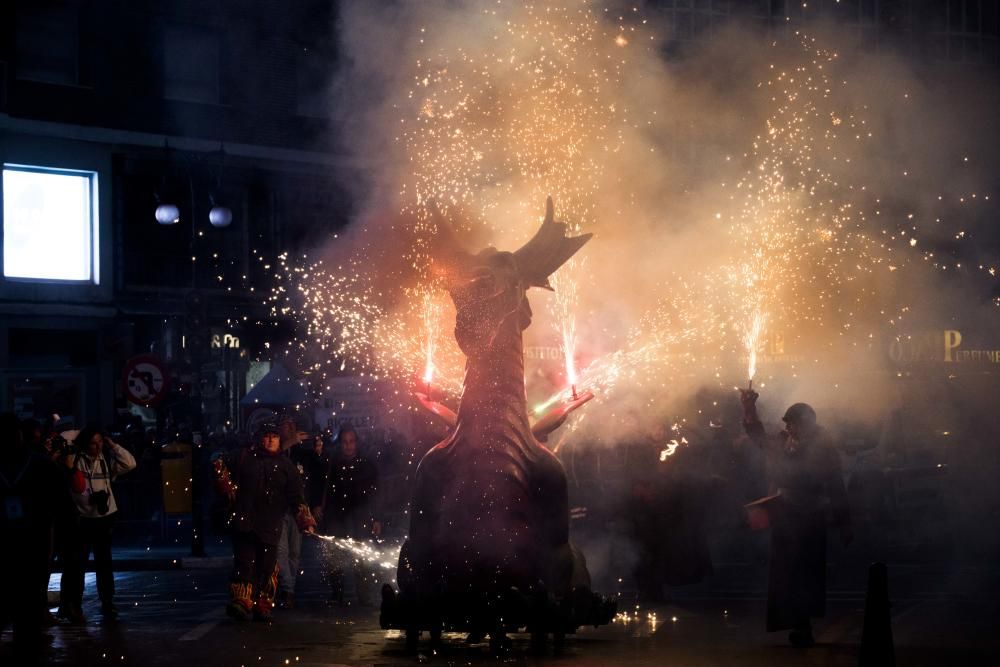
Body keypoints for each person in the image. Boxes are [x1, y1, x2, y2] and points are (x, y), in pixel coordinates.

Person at [739, 388, 852, 647]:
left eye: (793, 423)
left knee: (805, 573)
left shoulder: (823, 448)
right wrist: (748, 408)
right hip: (786, 516)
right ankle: (794, 621)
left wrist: (844, 522)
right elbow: (758, 437)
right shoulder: (783, 441)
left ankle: (803, 624)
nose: (789, 427)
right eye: (787, 423)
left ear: (807, 424)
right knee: (786, 573)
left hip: (810, 516)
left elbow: (835, 485)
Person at [214, 423, 315, 622]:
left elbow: (297, 496)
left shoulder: (286, 466)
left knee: (267, 566)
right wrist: (226, 487)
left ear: (279, 440)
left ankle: (263, 604)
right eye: (267, 436)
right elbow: (219, 463)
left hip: (271, 524)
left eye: (274, 437)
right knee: (245, 562)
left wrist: (305, 521)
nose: (270, 440)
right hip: (245, 521)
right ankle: (242, 602)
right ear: (260, 438)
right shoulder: (244, 457)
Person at [0, 413, 69, 662]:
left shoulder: (40, 465)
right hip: (25, 545)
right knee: (24, 611)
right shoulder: (41, 465)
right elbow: (63, 504)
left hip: (30, 544)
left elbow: (62, 503)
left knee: (26, 612)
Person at [58, 425, 137, 623]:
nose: (97, 446)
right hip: (81, 519)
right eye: (93, 443)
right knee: (78, 564)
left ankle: (107, 602)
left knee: (104, 563)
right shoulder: (75, 460)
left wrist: (113, 445)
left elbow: (130, 464)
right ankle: (73, 604)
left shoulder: (107, 459)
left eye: (100, 442)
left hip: (104, 517)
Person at [316, 426, 379, 604]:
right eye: (345, 442)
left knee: (361, 553)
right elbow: (323, 485)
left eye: (351, 442)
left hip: (361, 514)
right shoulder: (332, 463)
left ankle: (364, 593)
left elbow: (375, 492)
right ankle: (337, 591)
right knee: (335, 552)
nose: (348, 446)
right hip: (337, 513)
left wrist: (377, 517)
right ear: (340, 444)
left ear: (356, 443)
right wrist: (319, 505)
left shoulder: (366, 464)